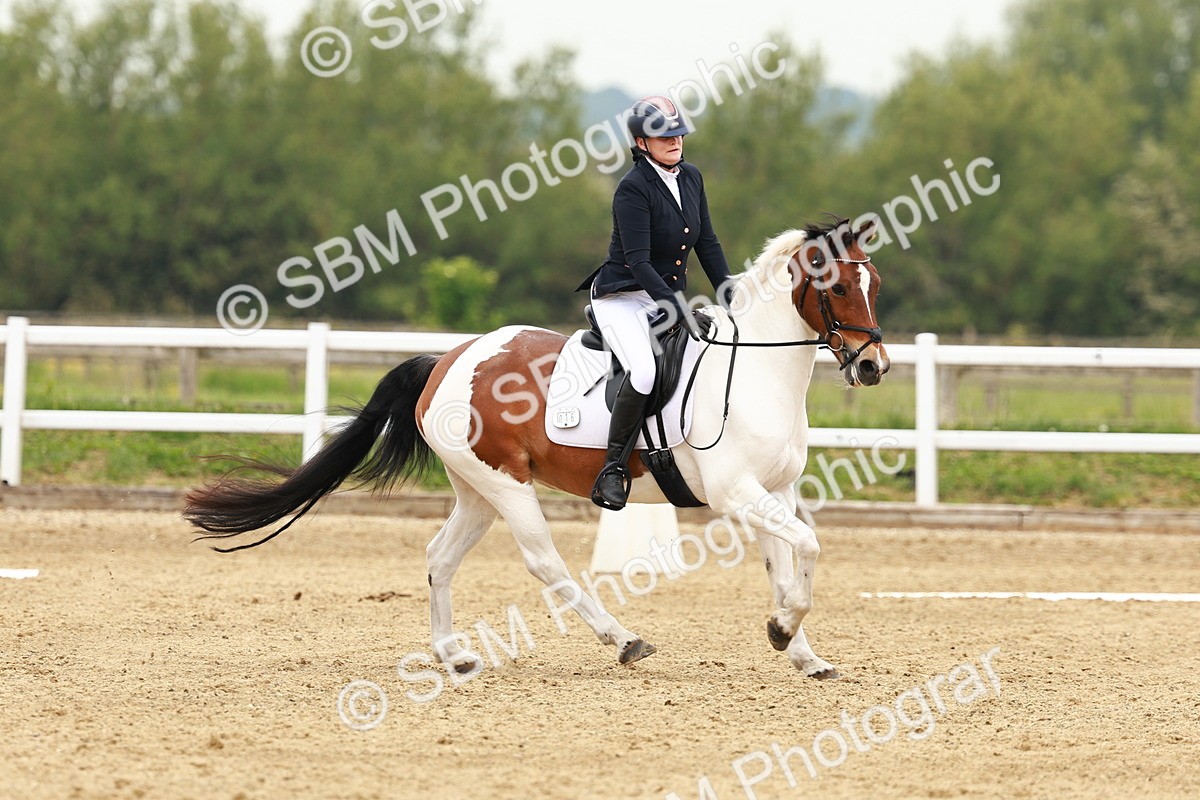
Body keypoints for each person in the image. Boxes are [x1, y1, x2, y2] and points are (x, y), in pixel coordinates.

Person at [575, 95, 734, 510]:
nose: (675, 141)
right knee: (644, 371)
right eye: (664, 136)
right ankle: (613, 469)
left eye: (679, 134)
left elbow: (708, 242)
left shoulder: (692, 177)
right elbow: (639, 262)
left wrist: (729, 289)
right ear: (641, 143)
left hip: (662, 297)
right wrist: (677, 306)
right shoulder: (632, 189)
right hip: (623, 297)